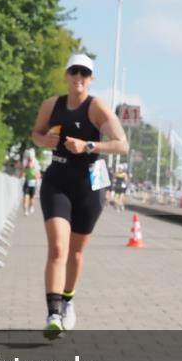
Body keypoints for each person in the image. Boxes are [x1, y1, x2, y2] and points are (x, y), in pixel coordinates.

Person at [31, 53, 128, 338]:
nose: (78, 78)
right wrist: (43, 139)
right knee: (58, 248)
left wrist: (87, 145)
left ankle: (68, 300)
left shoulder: (96, 107)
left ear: (91, 78)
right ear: (66, 74)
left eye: (84, 73)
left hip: (89, 182)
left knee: (75, 251)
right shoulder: (52, 105)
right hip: (57, 180)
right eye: (74, 71)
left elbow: (121, 145)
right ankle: (53, 312)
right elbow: (35, 133)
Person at [22, 151, 40, 216]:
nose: (30, 159)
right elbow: (22, 172)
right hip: (27, 182)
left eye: (31, 158)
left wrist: (36, 177)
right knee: (25, 197)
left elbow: (38, 175)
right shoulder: (25, 163)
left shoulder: (36, 164)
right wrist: (23, 176)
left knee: (31, 198)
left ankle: (31, 206)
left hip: (33, 183)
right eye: (29, 158)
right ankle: (25, 210)